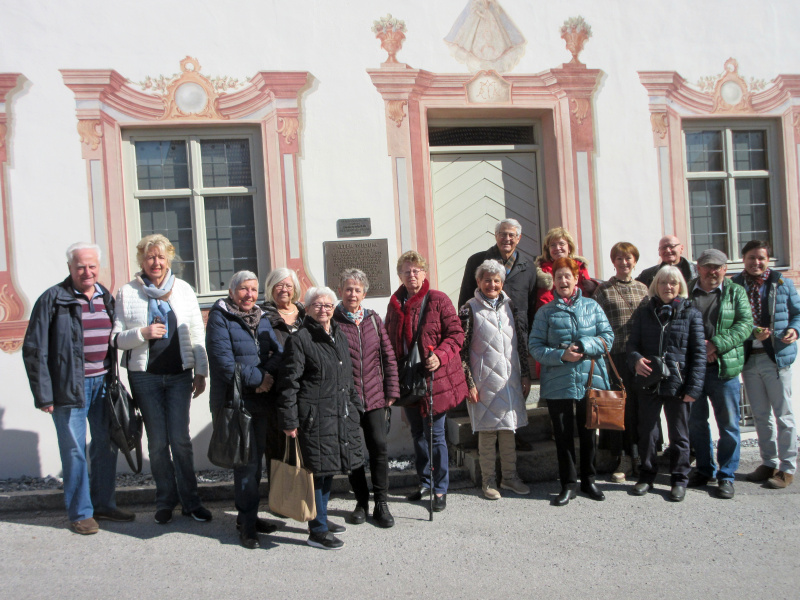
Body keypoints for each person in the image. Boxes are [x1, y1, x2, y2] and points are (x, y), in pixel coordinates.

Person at [22, 243, 135, 534]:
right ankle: (81, 513)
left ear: (99, 267)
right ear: (70, 268)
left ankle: (104, 505)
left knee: (106, 446)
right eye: (80, 266)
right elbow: (34, 349)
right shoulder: (53, 299)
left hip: (103, 384)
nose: (87, 272)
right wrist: (43, 394)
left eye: (92, 266)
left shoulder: (105, 296)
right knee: (74, 451)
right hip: (68, 388)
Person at [112, 234, 211, 525]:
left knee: (180, 440)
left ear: (169, 259)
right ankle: (165, 500)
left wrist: (201, 371)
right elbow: (116, 338)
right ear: (141, 261)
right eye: (150, 257)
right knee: (157, 443)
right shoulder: (127, 292)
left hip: (179, 375)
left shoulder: (184, 290)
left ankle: (191, 502)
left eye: (160, 257)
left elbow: (197, 332)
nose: (156, 262)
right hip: (145, 378)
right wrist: (141, 334)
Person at [277, 287, 364, 550]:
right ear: (307, 309)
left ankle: (321, 518)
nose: (323, 309)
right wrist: (289, 421)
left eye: (328, 305)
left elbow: (348, 378)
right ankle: (317, 531)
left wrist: (356, 408)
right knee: (315, 473)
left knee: (327, 472)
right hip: (314, 418)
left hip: (338, 415)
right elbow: (289, 383)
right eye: (317, 305)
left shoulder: (339, 336)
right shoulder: (300, 339)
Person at [206, 271, 284, 549]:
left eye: (253, 289)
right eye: (243, 289)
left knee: (255, 464)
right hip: (235, 401)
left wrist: (266, 377)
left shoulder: (261, 317)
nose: (249, 295)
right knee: (246, 465)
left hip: (260, 400)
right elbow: (224, 363)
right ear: (231, 292)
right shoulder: (219, 317)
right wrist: (259, 379)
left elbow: (278, 353)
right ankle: (248, 527)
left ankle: (247, 516)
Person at [385, 251, 468, 512]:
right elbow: (388, 339)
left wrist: (440, 357)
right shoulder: (394, 304)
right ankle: (425, 482)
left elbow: (456, 334)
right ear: (400, 275)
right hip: (408, 380)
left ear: (424, 273)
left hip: (435, 378)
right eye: (406, 271)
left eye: (416, 270)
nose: (412, 275)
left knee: (435, 434)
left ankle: (440, 488)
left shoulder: (438, 300)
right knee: (418, 433)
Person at [529, 257, 613, 506]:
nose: (563, 281)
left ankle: (589, 480)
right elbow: (535, 346)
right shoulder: (545, 312)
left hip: (590, 379)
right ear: (553, 281)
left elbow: (608, 338)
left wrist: (585, 345)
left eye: (568, 276)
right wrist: (561, 355)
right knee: (563, 435)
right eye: (559, 277)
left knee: (589, 433)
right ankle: (568, 484)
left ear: (576, 278)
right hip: (559, 380)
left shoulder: (592, 306)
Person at [627, 267, 706, 501]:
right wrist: (635, 360)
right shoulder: (645, 312)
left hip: (678, 383)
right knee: (648, 433)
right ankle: (646, 475)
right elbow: (632, 345)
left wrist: (693, 389)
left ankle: (679, 479)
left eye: (673, 283)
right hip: (649, 381)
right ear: (656, 286)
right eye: (663, 283)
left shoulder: (691, 314)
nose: (668, 287)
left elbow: (699, 354)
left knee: (679, 435)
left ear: (680, 286)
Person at [333, 269, 400, 528]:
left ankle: (381, 503)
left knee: (379, 448)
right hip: (346, 399)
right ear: (340, 291)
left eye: (357, 290)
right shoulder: (333, 320)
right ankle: (361, 502)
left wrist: (391, 391)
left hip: (374, 396)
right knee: (353, 452)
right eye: (348, 289)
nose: (352, 294)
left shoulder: (373, 320)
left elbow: (388, 356)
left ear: (364, 294)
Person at [460, 259, 532, 500]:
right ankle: (488, 480)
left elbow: (520, 342)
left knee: (509, 429)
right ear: (478, 281)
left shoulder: (510, 306)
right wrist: (469, 383)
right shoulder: (469, 309)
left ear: (502, 283)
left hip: (509, 380)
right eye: (487, 280)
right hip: (484, 382)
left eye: (497, 281)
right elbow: (461, 350)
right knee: (488, 432)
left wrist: (525, 373)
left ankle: (510, 477)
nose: (492, 285)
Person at [732, 241, 800, 489]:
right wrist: (751, 331)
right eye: (751, 258)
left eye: (761, 258)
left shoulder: (782, 283)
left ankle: (787, 468)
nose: (756, 262)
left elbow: (797, 313)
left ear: (768, 260)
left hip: (776, 357)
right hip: (749, 358)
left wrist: (795, 329)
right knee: (760, 416)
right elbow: (731, 319)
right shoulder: (734, 285)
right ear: (743, 259)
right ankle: (768, 462)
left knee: (784, 415)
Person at [687, 249, 752, 499]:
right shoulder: (686, 291)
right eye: (707, 266)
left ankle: (726, 475)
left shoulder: (736, 292)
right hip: (694, 369)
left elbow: (744, 325)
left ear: (725, 269)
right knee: (696, 422)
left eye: (717, 267)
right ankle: (704, 469)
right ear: (698, 268)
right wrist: (701, 350)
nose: (712, 271)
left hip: (724, 369)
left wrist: (715, 345)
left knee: (729, 424)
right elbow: (678, 326)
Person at [593, 242, 649, 482]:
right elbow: (596, 324)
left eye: (628, 258)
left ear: (635, 261)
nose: (624, 262)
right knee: (621, 410)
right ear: (613, 262)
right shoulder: (604, 290)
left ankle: (642, 456)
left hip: (641, 358)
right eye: (619, 258)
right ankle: (624, 458)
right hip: (616, 357)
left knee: (640, 409)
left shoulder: (644, 289)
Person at [457, 218, 541, 336]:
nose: (507, 239)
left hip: (518, 332)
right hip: (483, 331)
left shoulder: (528, 267)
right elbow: (464, 299)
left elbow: (532, 305)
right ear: (496, 236)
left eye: (511, 235)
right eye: (503, 234)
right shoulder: (476, 261)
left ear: (518, 238)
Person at [262, 268, 306, 466]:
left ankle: (306, 486)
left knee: (306, 447)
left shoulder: (306, 313)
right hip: (276, 390)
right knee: (278, 449)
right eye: (279, 285)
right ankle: (280, 486)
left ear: (295, 288)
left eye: (288, 285)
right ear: (271, 288)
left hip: (305, 389)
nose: (284, 289)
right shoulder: (262, 316)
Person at [534, 227, 596, 312]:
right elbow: (544, 300)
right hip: (554, 315)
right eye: (553, 245)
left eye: (561, 244)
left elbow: (587, 294)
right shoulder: (543, 271)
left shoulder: (579, 266)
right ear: (548, 250)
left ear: (569, 247)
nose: (557, 248)